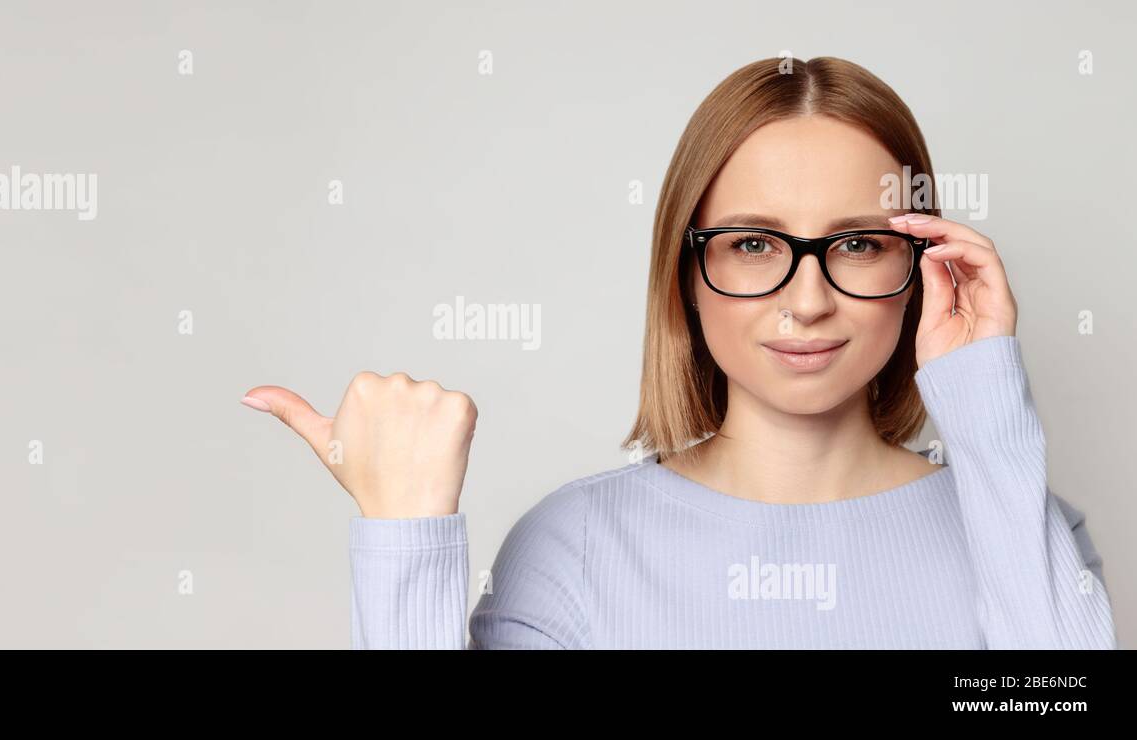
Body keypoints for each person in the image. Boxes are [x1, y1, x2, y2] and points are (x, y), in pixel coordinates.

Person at [240, 56, 1117, 649]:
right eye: (752, 244)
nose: (807, 302)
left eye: (855, 244)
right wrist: (407, 532)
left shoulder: (1021, 525)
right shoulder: (576, 545)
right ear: (685, 277)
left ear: (920, 266)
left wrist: (984, 399)